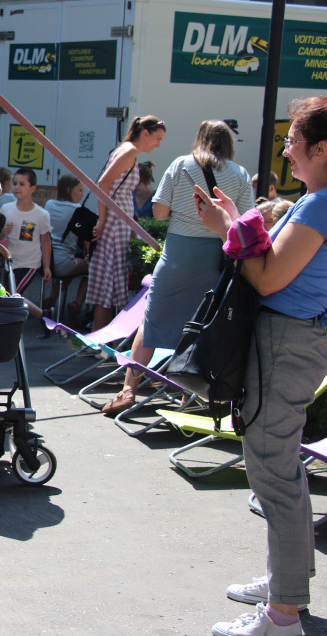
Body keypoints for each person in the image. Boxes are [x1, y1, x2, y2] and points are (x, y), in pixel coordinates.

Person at [194, 97, 327, 636]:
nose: (286, 150)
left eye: (293, 140)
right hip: (287, 340)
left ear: (322, 149)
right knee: (280, 473)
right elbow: (271, 267)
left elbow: (270, 278)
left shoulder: (324, 204)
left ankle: (283, 615)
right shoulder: (324, 200)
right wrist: (232, 222)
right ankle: (286, 587)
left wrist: (227, 226)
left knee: (274, 476)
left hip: (286, 342)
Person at [102, 120, 252, 416]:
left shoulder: (182, 164)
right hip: (215, 257)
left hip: (178, 254)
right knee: (201, 326)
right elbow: (244, 219)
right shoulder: (240, 174)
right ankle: (188, 394)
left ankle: (128, 390)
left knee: (151, 320)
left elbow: (158, 213)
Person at [88, 115, 166, 331]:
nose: (158, 144)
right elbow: (103, 183)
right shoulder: (130, 152)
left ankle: (99, 339)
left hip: (118, 221)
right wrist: (103, 219)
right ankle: (99, 340)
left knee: (108, 285)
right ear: (145, 133)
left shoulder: (126, 150)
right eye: (157, 138)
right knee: (108, 285)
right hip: (114, 224)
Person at [0, 168, 51, 302]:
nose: (17, 187)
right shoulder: (6, 208)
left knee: (10, 295)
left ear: (32, 188)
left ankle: (33, 316)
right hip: (10, 262)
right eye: (15, 183)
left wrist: (47, 267)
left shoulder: (41, 214)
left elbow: (45, 241)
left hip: (29, 264)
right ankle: (40, 315)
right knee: (6, 295)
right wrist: (4, 232)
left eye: (22, 184)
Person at [43, 173, 89, 320]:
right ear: (69, 190)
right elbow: (87, 237)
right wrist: (89, 255)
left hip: (46, 261)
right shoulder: (78, 210)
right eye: (80, 190)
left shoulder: (49, 204)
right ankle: (77, 302)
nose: (83, 194)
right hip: (63, 263)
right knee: (93, 267)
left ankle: (52, 298)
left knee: (71, 264)